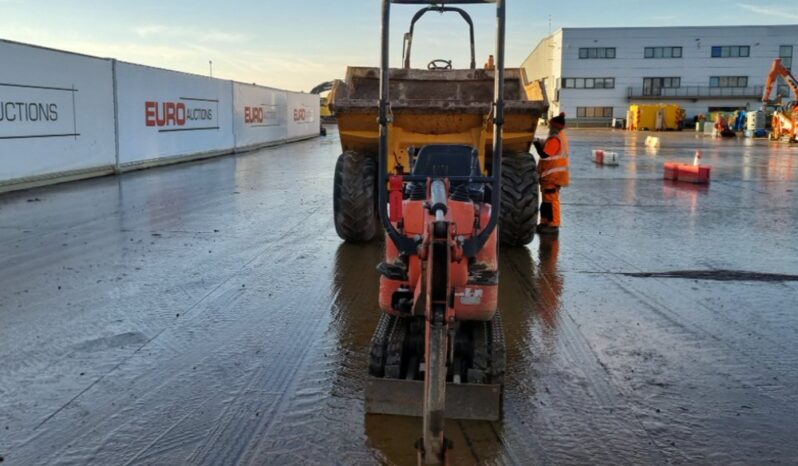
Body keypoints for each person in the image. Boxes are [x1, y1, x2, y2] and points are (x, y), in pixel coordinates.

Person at [533, 112, 570, 235]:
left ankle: (553, 224)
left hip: (553, 177)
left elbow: (545, 154)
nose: (548, 128)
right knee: (546, 200)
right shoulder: (560, 136)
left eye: (550, 126)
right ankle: (545, 222)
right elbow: (549, 146)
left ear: (555, 127)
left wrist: (537, 145)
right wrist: (539, 141)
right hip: (551, 176)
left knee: (551, 200)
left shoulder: (555, 139)